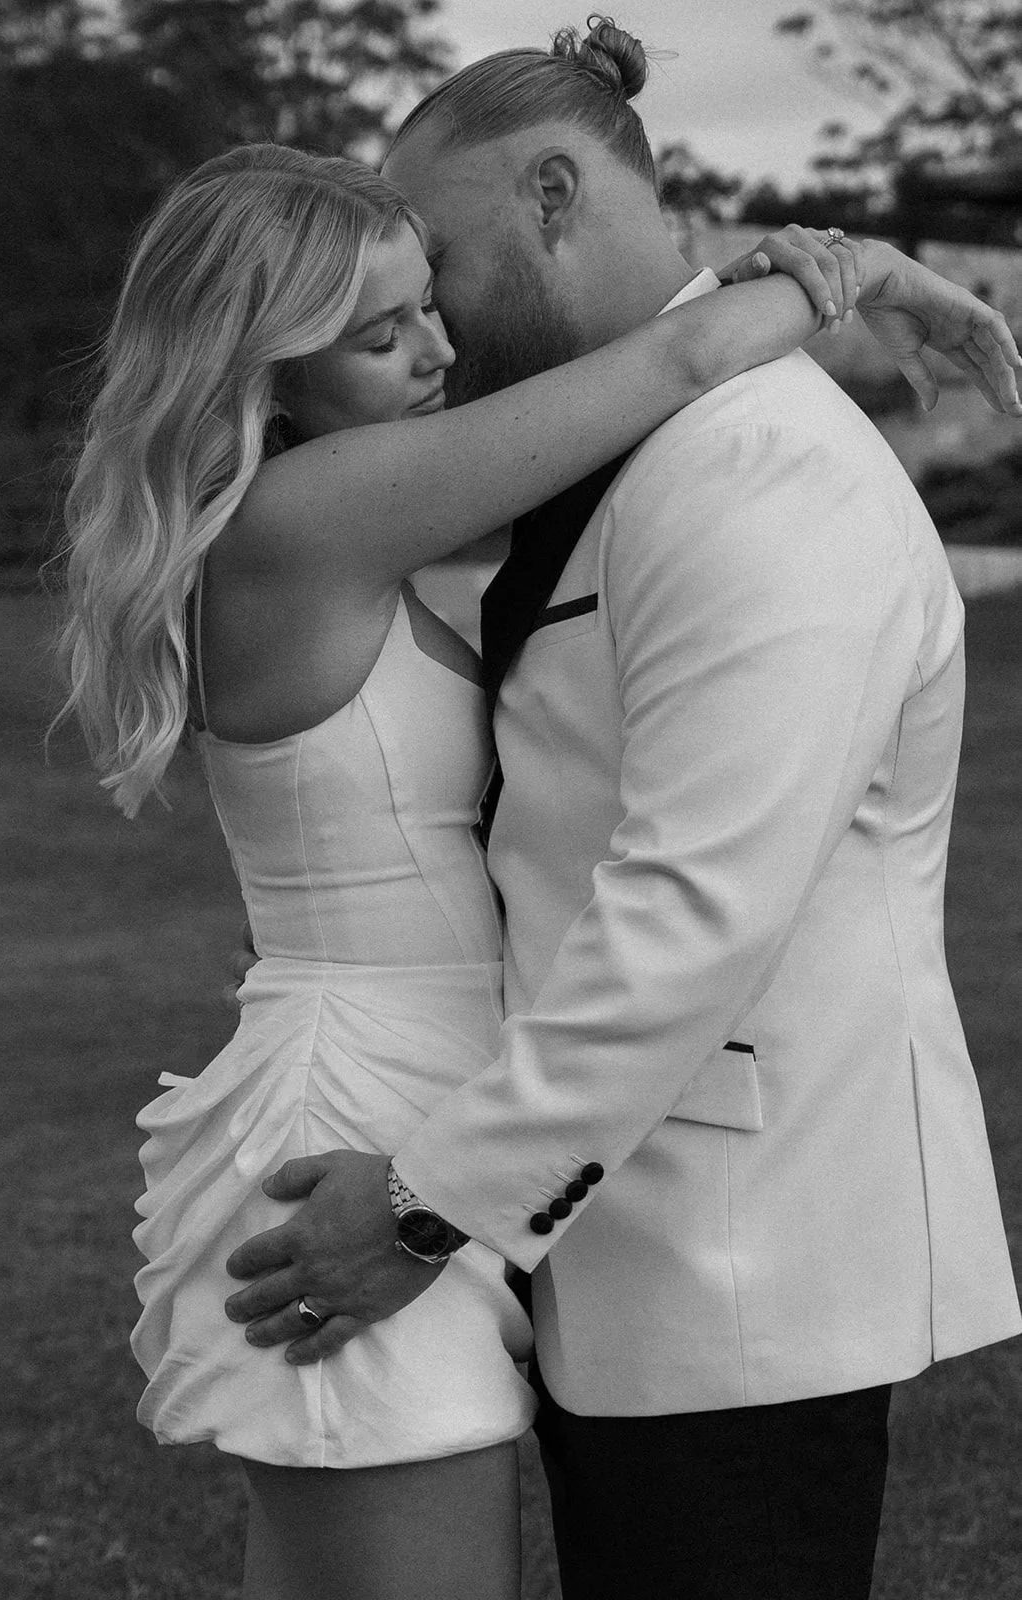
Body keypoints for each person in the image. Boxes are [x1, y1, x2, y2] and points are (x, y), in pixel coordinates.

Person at [219, 20, 1022, 1600]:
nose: (427, 309)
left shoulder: (762, 470)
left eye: (435, 258)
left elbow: (696, 907)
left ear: (553, 195)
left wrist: (431, 1209)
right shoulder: (626, 428)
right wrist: (840, 268)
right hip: (612, 1232)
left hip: (740, 1258)